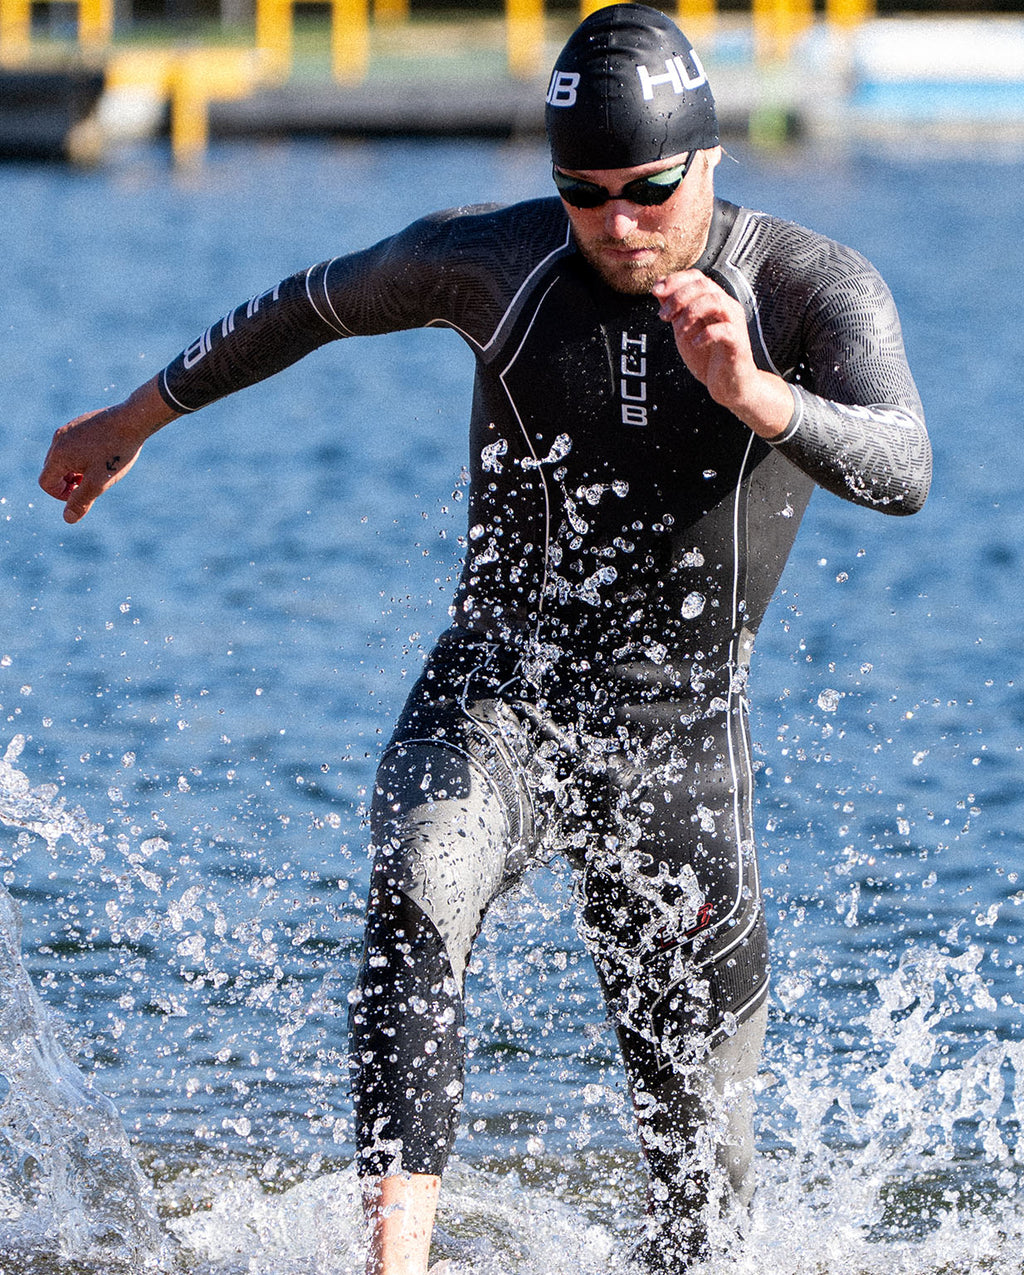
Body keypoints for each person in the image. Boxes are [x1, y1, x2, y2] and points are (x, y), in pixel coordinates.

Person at [39, 4, 931, 1271]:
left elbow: (905, 468)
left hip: (680, 745)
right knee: (416, 880)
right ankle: (391, 1262)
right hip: (499, 687)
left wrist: (759, 397)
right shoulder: (494, 261)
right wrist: (136, 416)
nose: (617, 223)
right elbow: (308, 304)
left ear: (709, 161)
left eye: (648, 190)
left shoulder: (806, 287)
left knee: (701, 1197)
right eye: (583, 193)